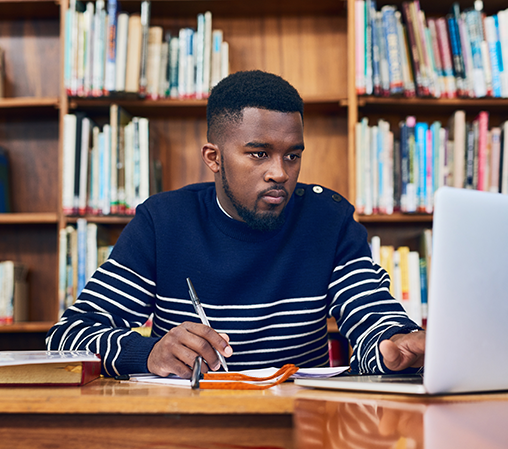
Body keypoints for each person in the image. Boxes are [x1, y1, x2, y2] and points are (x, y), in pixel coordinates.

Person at [46, 70, 425, 378]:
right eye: (259, 154)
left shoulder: (330, 219)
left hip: (299, 424)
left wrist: (392, 345)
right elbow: (67, 338)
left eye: (292, 156)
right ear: (213, 157)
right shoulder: (162, 223)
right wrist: (149, 353)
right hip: (187, 424)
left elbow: (372, 312)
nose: (280, 173)